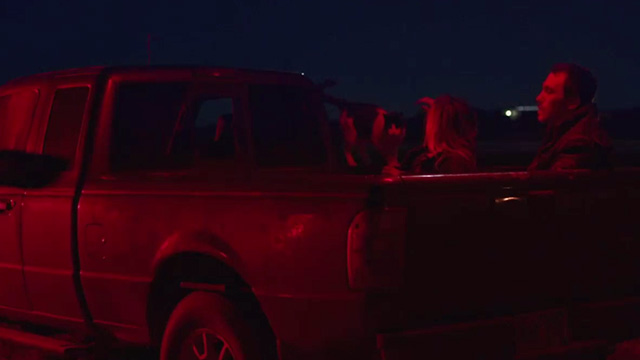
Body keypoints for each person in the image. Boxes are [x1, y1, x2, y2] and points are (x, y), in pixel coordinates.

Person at [528, 63, 612, 171]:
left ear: (573, 101)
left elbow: (555, 184)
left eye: (549, 91)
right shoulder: (563, 134)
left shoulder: (578, 144)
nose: (539, 98)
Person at [380, 94, 478, 175]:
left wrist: (402, 176)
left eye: (430, 118)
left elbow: (432, 192)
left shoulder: (453, 162)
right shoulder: (423, 154)